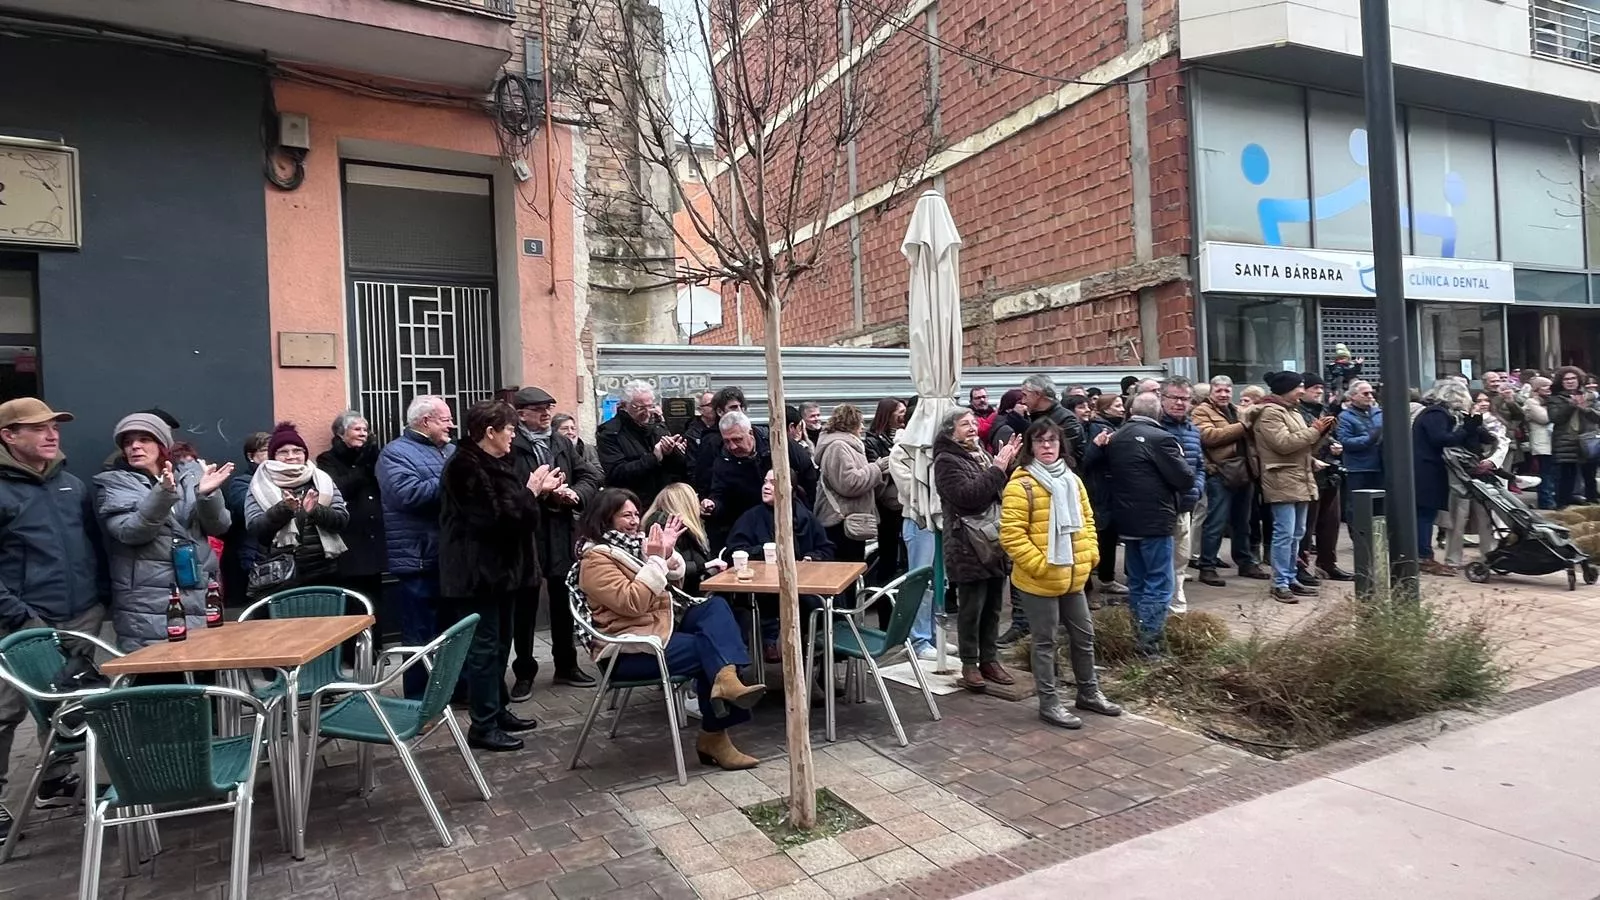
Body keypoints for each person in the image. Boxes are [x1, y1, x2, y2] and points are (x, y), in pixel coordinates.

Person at [572, 488, 766, 770]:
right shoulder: (595, 560)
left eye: (637, 514)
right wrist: (656, 560)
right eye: (626, 515)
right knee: (709, 650)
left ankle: (727, 682)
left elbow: (670, 588)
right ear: (605, 519)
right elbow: (633, 603)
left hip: (658, 628)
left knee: (715, 608)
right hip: (628, 651)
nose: (635, 521)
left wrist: (669, 554)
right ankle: (715, 734)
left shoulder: (631, 546)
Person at [0, 399, 107, 829]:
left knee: (69, 700)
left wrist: (97, 599)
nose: (51, 434)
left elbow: (91, 544)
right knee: (6, 711)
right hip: (20, 622)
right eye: (38, 428)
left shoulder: (72, 485)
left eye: (54, 427)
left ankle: (53, 782)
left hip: (79, 613)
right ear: (9, 436)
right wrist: (19, 617)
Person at [440, 400, 559, 751]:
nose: (513, 436)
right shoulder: (464, 466)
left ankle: (499, 709)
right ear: (489, 432)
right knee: (485, 649)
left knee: (500, 646)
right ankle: (483, 724)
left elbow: (515, 515)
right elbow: (495, 520)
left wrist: (535, 494)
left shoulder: (494, 461)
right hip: (479, 575)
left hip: (504, 573)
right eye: (509, 429)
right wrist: (532, 491)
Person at [999, 420, 1122, 729]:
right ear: (1030, 447)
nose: (1047, 446)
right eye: (1040, 442)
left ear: (1061, 444)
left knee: (1084, 635)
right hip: (1039, 579)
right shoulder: (1022, 483)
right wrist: (1040, 565)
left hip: (1073, 575)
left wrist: (1091, 555)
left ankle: (1089, 693)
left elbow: (1088, 520)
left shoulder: (1071, 480)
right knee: (1045, 641)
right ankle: (1049, 702)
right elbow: (1011, 536)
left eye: (1052, 441)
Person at [94, 411, 234, 651]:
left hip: (199, 592)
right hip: (149, 603)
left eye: (144, 440)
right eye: (128, 442)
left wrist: (207, 495)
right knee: (161, 678)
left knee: (203, 672)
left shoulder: (189, 477)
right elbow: (132, 532)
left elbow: (219, 526)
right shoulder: (114, 483)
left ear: (162, 445)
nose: (134, 447)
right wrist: (163, 494)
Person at [510, 387, 602, 696]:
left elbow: (590, 475)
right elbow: (508, 490)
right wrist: (539, 491)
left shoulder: (561, 442)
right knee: (525, 604)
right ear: (521, 414)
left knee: (564, 600)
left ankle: (566, 665)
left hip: (560, 529)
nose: (546, 414)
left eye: (549, 407)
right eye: (538, 409)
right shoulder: (512, 445)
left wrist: (575, 495)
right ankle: (524, 672)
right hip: (527, 533)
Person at [933, 407, 1021, 692]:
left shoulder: (979, 453)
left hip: (993, 537)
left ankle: (990, 659)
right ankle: (970, 663)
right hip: (967, 543)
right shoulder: (946, 460)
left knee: (994, 605)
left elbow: (995, 491)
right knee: (972, 606)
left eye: (973, 423)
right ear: (950, 431)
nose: (972, 428)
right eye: (964, 424)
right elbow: (966, 497)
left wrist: (1004, 465)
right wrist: (998, 468)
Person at [377, 395, 457, 699]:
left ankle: (452, 692)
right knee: (419, 635)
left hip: (450, 557)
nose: (452, 425)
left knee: (452, 631)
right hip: (416, 559)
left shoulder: (450, 450)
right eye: (445, 419)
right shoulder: (394, 454)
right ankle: (419, 700)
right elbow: (406, 495)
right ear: (426, 421)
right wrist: (454, 483)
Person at [1107, 393, 1193, 656]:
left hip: (1127, 520)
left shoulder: (1116, 436)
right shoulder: (1161, 438)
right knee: (1159, 581)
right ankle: (1150, 642)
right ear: (1158, 413)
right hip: (1155, 520)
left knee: (1138, 581)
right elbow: (1184, 478)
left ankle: (1137, 632)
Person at [726, 470, 836, 664]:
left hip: (804, 587)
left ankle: (814, 660)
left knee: (816, 604)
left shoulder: (804, 517)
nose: (766, 486)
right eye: (765, 481)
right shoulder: (751, 518)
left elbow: (826, 547)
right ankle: (780, 646)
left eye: (773, 483)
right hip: (762, 590)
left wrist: (811, 558)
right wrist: (763, 552)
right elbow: (734, 551)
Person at [1250, 372, 1332, 603]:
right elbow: (1284, 444)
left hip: (1298, 477)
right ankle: (1279, 583)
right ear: (1286, 389)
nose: (1302, 390)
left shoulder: (1292, 410)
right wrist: (1314, 430)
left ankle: (1291, 577)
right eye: (1299, 386)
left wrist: (1322, 433)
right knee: (1284, 533)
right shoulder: (1270, 413)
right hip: (1281, 478)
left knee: (1297, 532)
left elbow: (1304, 446)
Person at [244, 422, 351, 591]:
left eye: (297, 451)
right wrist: (284, 509)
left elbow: (342, 520)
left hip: (323, 571)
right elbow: (256, 530)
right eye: (283, 452)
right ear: (273, 456)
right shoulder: (259, 484)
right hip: (279, 576)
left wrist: (316, 510)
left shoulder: (321, 479)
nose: (291, 456)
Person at [1193, 376, 1266, 587]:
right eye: (1219, 391)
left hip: (1244, 471)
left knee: (1243, 521)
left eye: (1227, 391)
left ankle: (1245, 562)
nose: (1224, 395)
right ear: (1210, 393)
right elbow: (1209, 437)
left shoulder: (1237, 410)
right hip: (1221, 473)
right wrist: (1243, 427)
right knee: (1216, 522)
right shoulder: (1201, 411)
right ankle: (1207, 566)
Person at [813, 404, 883, 609]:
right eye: (860, 423)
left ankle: (847, 616)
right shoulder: (838, 447)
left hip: (847, 521)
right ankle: (842, 619)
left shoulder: (844, 445)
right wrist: (876, 468)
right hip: (840, 523)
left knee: (850, 575)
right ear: (852, 424)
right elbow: (849, 483)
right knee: (844, 576)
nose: (862, 428)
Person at [315, 412, 386, 611]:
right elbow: (337, 489)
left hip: (374, 536)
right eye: (357, 429)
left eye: (365, 429)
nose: (363, 433)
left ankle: (376, 641)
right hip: (349, 539)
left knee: (375, 599)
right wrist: (363, 468)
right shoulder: (327, 460)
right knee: (354, 599)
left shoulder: (374, 457)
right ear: (341, 434)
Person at [1413, 379, 1480, 575]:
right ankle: (1423, 556)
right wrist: (1465, 430)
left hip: (1426, 467)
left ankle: (1422, 554)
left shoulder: (1434, 413)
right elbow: (1440, 439)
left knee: (1425, 514)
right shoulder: (1436, 413)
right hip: (1426, 469)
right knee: (1425, 514)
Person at [1296, 373, 1351, 584]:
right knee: (1306, 526)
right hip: (1309, 474)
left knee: (1331, 522)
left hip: (1329, 473)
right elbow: (1301, 441)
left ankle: (1327, 563)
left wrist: (1334, 445)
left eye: (1320, 387)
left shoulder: (1323, 411)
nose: (1319, 391)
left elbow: (1328, 435)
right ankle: (1301, 566)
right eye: (1314, 388)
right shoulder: (1297, 413)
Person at [599, 380, 688, 509]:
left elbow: (677, 469)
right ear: (624, 405)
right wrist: (653, 458)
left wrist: (673, 453)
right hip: (630, 503)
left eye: (650, 406)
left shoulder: (658, 426)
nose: (647, 412)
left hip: (663, 501)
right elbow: (616, 473)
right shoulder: (610, 432)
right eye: (640, 408)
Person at [1157, 378, 1204, 613]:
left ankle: (1177, 606)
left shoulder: (1193, 430)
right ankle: (1161, 608)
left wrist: (1198, 488)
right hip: (1160, 508)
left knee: (1181, 559)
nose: (1179, 403)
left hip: (1186, 506)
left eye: (1184, 399)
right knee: (1161, 563)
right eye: (1173, 398)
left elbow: (1201, 466)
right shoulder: (1154, 428)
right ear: (1162, 399)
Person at [645, 483, 726, 596]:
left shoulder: (688, 526)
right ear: (686, 503)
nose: (698, 503)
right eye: (695, 498)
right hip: (682, 597)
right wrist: (705, 566)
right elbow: (672, 567)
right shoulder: (667, 527)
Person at [1081, 393, 1126, 598]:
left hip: (1108, 491)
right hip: (1101, 491)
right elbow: (1088, 461)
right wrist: (1099, 446)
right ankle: (1102, 580)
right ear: (1106, 408)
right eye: (1117, 405)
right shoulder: (1100, 428)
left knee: (1108, 536)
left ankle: (1106, 577)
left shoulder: (1114, 425)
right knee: (1103, 536)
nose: (1122, 408)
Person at [221, 431, 270, 606]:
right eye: (265, 450)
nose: (272, 454)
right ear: (251, 456)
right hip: (252, 561)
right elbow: (246, 510)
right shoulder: (241, 483)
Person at [863, 398, 906, 587]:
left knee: (904, 552)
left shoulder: (906, 435)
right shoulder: (872, 440)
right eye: (900, 412)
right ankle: (884, 593)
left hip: (903, 500)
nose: (903, 416)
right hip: (887, 505)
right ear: (889, 414)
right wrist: (896, 461)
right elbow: (875, 467)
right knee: (888, 551)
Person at [1336, 380, 1384, 538]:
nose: (1370, 396)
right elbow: (1345, 441)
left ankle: (1378, 536)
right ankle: (1359, 537)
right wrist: (1369, 438)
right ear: (1353, 396)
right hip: (1358, 467)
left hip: (1380, 465)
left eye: (1371, 393)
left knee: (1379, 504)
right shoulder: (1345, 417)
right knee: (1356, 506)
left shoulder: (1378, 413)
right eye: (1365, 393)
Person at [1548, 367, 1600, 508]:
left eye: (1573, 378)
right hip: (1566, 441)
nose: (1570, 382)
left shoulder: (1589, 396)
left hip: (1588, 440)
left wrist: (1584, 408)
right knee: (1566, 478)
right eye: (1566, 379)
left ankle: (1593, 505)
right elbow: (1555, 418)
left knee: (1590, 476)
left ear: (1579, 380)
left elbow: (1597, 417)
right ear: (1561, 382)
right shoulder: (1555, 399)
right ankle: (1562, 507)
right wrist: (1570, 406)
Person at [1020, 374, 1084, 467]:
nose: (1023, 401)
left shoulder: (1067, 420)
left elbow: (1065, 453)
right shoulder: (1030, 417)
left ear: (1038, 394)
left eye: (1025, 395)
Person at [1522, 376, 1555, 509]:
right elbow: (1544, 418)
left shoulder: (1549, 401)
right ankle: (1545, 501)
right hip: (1542, 443)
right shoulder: (1531, 402)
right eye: (1545, 386)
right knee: (1545, 473)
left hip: (1552, 441)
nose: (1549, 389)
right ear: (1537, 388)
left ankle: (1551, 498)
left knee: (1552, 472)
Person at [986, 388, 1031, 453]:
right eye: (1021, 403)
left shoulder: (1021, 423)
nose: (1025, 406)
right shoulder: (1006, 429)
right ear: (1009, 408)